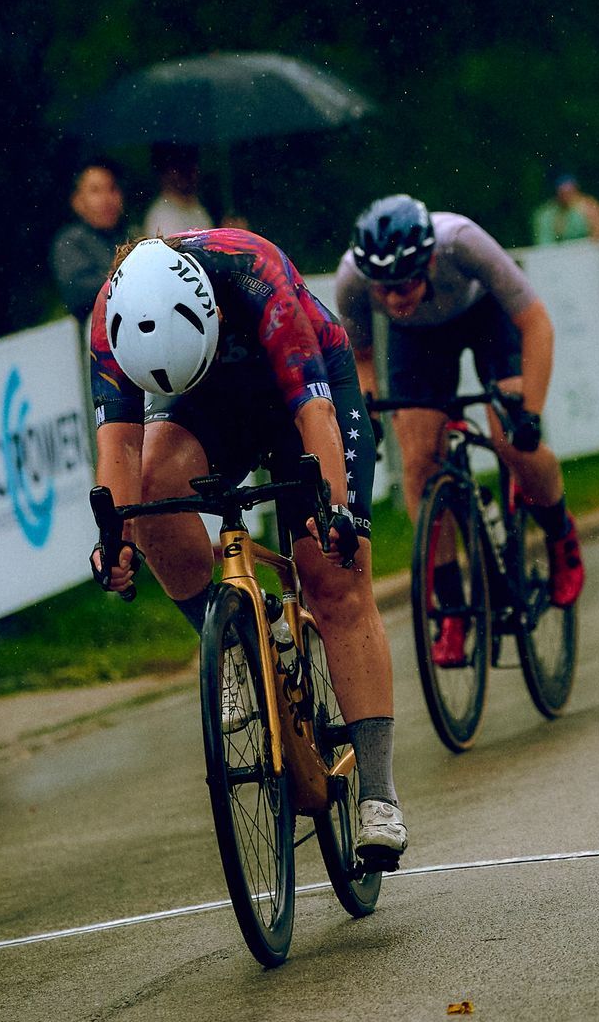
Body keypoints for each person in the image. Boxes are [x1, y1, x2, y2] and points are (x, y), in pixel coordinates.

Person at [88, 229, 408, 860]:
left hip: (307, 385)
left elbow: (313, 413)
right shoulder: (109, 320)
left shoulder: (254, 274)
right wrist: (114, 540)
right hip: (204, 392)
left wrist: (333, 512)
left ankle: (379, 791)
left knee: (334, 579)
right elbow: (120, 447)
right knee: (154, 494)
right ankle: (236, 636)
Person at [336, 195, 585, 661]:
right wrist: (368, 409)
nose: (393, 297)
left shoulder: (462, 243)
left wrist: (529, 412)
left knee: (512, 442)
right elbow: (361, 355)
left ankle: (560, 536)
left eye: (405, 283)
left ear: (429, 259)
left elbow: (536, 324)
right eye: (383, 289)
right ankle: (451, 607)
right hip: (416, 340)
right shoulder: (353, 276)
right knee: (418, 464)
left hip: (485, 317)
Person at [51, 161, 126, 322]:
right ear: (77, 201)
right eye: (95, 191)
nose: (106, 199)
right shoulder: (70, 242)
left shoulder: (128, 235)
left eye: (112, 189)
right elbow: (78, 292)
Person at [143, 144, 212, 238]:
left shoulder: (196, 207)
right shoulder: (162, 216)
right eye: (181, 170)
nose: (190, 175)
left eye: (192, 168)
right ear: (165, 174)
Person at [530, 173, 599, 245]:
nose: (567, 196)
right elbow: (544, 244)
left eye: (570, 191)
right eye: (563, 193)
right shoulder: (546, 214)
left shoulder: (589, 206)